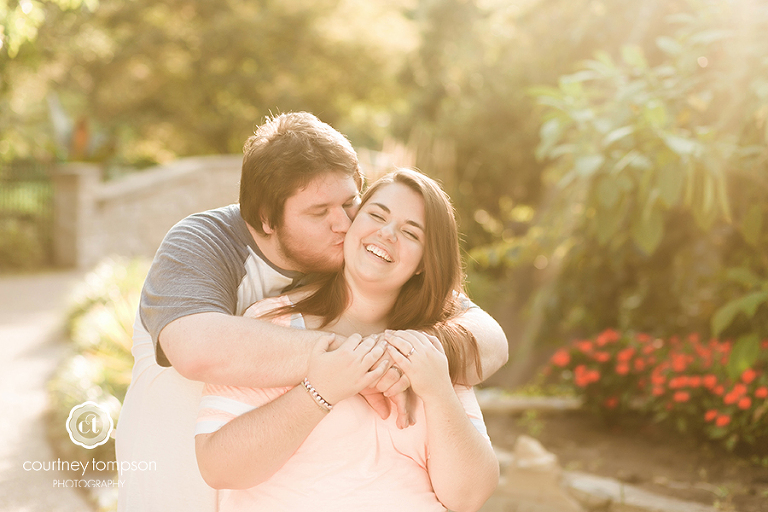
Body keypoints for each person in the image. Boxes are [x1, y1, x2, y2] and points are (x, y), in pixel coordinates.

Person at [115, 112, 508, 512]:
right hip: (171, 475)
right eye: (320, 212)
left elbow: (488, 338)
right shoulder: (205, 243)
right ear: (266, 218)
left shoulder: (354, 257)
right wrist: (357, 360)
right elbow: (197, 350)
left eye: (351, 202)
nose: (344, 223)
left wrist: (408, 359)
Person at [195, 169, 499, 511]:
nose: (387, 233)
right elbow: (217, 468)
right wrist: (319, 392)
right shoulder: (273, 323)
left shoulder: (431, 347)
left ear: (423, 263)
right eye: (377, 215)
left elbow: (469, 496)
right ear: (351, 225)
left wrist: (438, 392)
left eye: (410, 233)